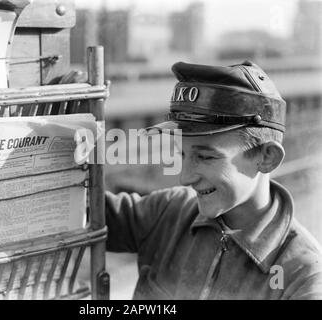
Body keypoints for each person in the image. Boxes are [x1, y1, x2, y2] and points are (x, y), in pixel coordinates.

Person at [105, 60, 322, 299]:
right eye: (183, 154)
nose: (184, 177)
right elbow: (78, 214)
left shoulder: (303, 277)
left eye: (206, 157)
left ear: (266, 157)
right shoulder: (169, 212)